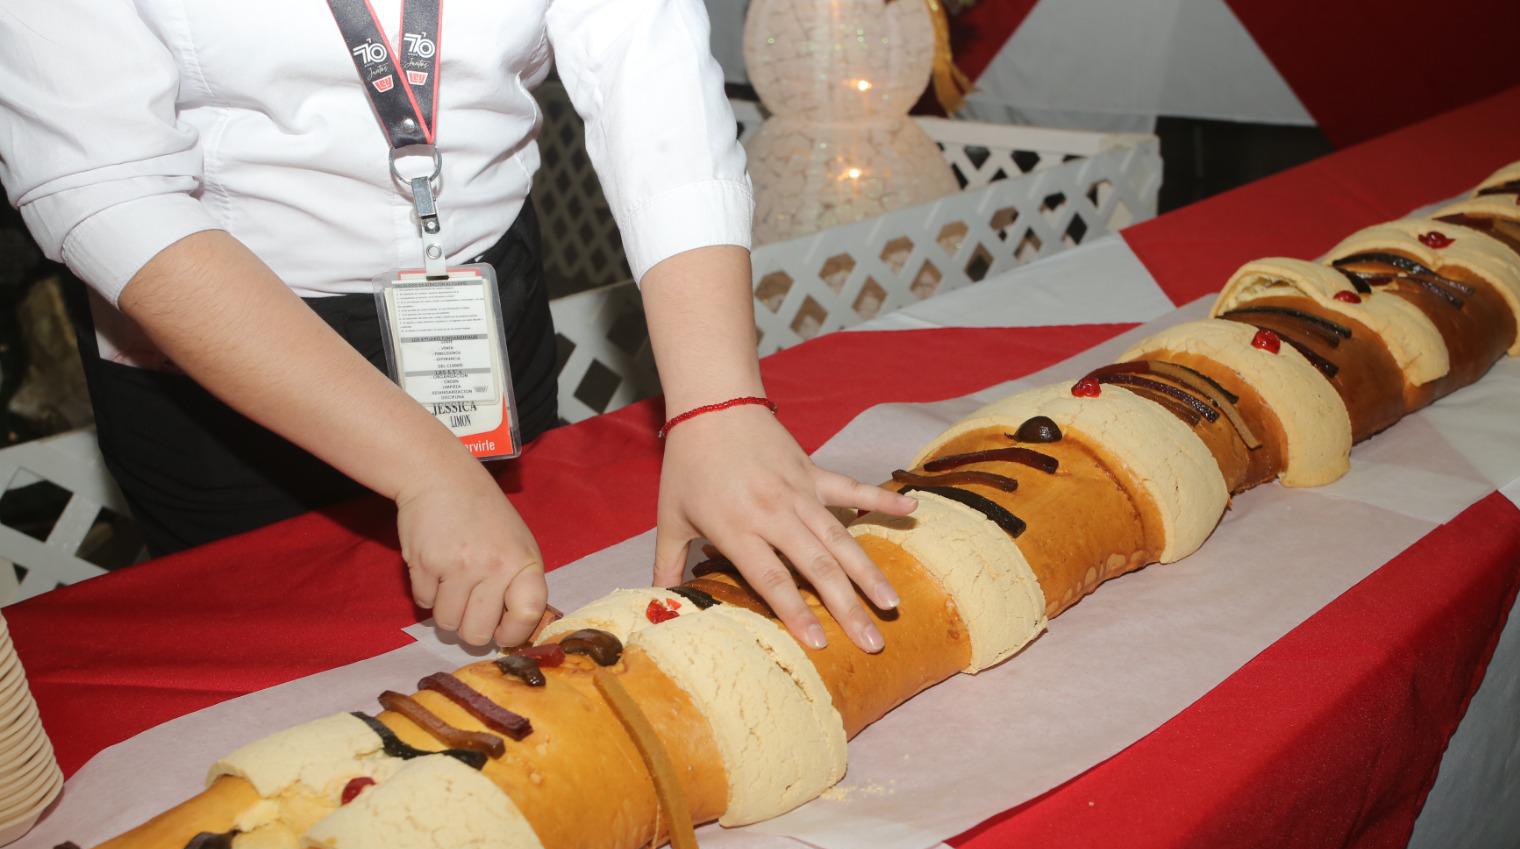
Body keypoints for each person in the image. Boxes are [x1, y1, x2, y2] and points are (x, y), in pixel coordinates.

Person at [0, 0, 914, 655]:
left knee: (528, 634)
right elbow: (106, 186)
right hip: (223, 347)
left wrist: (717, 402)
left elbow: (650, 70)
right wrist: (426, 467)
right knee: (282, 684)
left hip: (478, 297)